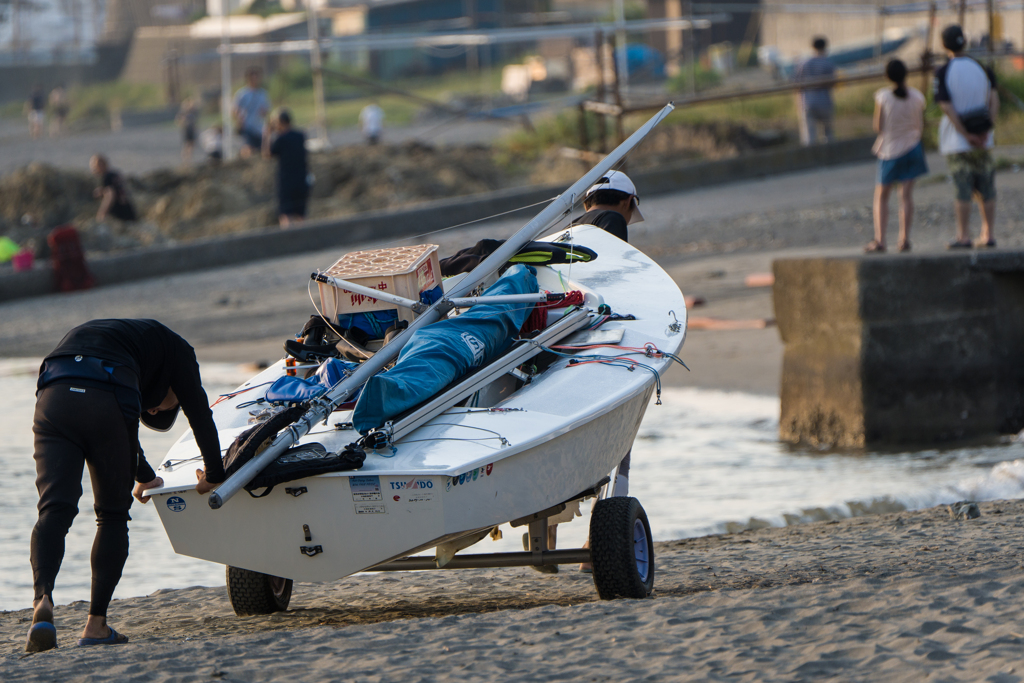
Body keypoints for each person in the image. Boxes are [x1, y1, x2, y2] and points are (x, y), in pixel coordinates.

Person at [25, 319, 225, 652]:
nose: (156, 409)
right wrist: (215, 474)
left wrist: (145, 476)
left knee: (53, 509)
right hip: (107, 392)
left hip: (53, 391)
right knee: (112, 516)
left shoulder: (125, 337)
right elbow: (200, 414)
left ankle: (42, 599)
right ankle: (96, 625)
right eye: (160, 408)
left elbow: (126, 430)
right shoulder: (179, 351)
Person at [934, 24, 999, 249]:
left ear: (944, 44)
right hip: (984, 139)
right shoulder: (982, 67)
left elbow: (946, 106)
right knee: (986, 187)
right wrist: (986, 130)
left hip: (958, 142)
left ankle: (964, 236)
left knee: (962, 189)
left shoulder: (943, 72)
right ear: (966, 42)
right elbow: (994, 100)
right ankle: (988, 233)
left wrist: (966, 134)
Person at [865, 59, 928, 253]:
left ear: (887, 76)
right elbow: (920, 125)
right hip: (913, 148)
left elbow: (878, 127)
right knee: (906, 197)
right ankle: (904, 239)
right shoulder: (917, 96)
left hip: (890, 151)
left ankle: (880, 240)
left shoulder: (883, 96)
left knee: (882, 197)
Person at [263, 109, 309, 228]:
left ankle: (289, 240)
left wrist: (267, 135)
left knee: (285, 213)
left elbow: (267, 154)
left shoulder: (281, 139)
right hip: (302, 178)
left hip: (286, 180)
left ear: (281, 122)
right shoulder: (300, 136)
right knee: (300, 214)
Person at [794, 37, 836, 146]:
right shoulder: (828, 63)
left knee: (809, 136)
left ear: (812, 47)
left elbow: (797, 83)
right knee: (828, 134)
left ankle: (810, 159)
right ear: (825, 47)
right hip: (825, 101)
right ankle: (829, 156)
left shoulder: (804, 63)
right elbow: (833, 82)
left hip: (808, 101)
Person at [232, 67, 270, 158]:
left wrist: (263, 112)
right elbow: (234, 109)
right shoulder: (242, 94)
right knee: (248, 146)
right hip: (247, 126)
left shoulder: (262, 93)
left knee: (260, 147)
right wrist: (239, 119)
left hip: (259, 126)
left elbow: (266, 109)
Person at [89, 155, 137, 222]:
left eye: (94, 166)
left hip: (119, 213)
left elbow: (110, 194)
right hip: (128, 210)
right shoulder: (114, 174)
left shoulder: (106, 177)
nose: (93, 169)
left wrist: (102, 214)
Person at [176, 97, 200, 165]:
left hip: (192, 130)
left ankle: (189, 159)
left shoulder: (193, 113)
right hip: (186, 129)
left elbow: (195, 122)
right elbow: (178, 121)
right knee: (186, 145)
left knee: (191, 144)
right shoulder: (184, 113)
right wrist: (183, 123)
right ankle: (185, 159)